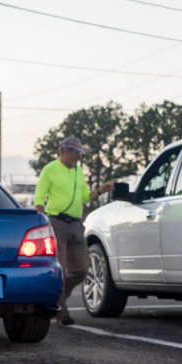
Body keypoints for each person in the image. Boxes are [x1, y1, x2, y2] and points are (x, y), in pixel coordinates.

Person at [34, 136, 114, 325]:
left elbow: (86, 197)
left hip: (76, 225)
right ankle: (62, 312)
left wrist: (101, 190)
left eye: (80, 152)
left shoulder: (79, 172)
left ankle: (58, 297)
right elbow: (39, 198)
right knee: (60, 268)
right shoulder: (50, 169)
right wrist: (41, 221)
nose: (78, 156)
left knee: (82, 268)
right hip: (56, 223)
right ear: (65, 150)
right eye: (75, 152)